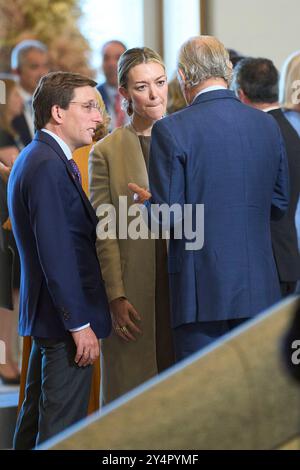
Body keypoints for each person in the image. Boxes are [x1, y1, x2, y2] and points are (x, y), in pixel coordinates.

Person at [129, 36, 289, 362]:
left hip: (199, 290)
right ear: (228, 71)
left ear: (185, 76)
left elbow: (167, 217)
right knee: (255, 398)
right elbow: (280, 202)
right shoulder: (267, 126)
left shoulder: (171, 129)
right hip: (259, 285)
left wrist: (145, 206)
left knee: (202, 401)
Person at [8, 71, 111, 449]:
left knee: (35, 423)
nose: (98, 117)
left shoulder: (40, 156)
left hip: (51, 318)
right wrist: (79, 324)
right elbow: (57, 253)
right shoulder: (48, 165)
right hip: (65, 322)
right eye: (88, 107)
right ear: (57, 112)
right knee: (59, 433)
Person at [89, 47, 174, 405]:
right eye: (142, 87)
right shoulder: (106, 151)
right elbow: (104, 232)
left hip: (181, 280)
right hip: (135, 284)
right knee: (132, 394)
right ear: (124, 93)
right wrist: (116, 295)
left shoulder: (187, 138)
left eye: (160, 83)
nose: (154, 94)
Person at [232, 57, 300, 297]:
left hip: (264, 262)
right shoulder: (292, 133)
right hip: (289, 256)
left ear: (240, 94)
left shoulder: (256, 134)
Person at [0, 77, 24, 384]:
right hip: (4, 223)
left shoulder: (13, 130)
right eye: (16, 93)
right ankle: (4, 360)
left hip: (7, 221)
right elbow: (16, 170)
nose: (20, 99)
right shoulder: (3, 134)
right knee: (5, 297)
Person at [10, 39, 49, 145]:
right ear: (16, 71)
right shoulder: (4, 103)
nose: (42, 73)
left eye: (45, 66)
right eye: (34, 67)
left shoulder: (51, 101)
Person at [97, 40, 128, 131]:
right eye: (106, 58)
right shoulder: (93, 97)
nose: (111, 64)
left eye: (118, 58)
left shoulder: (140, 94)